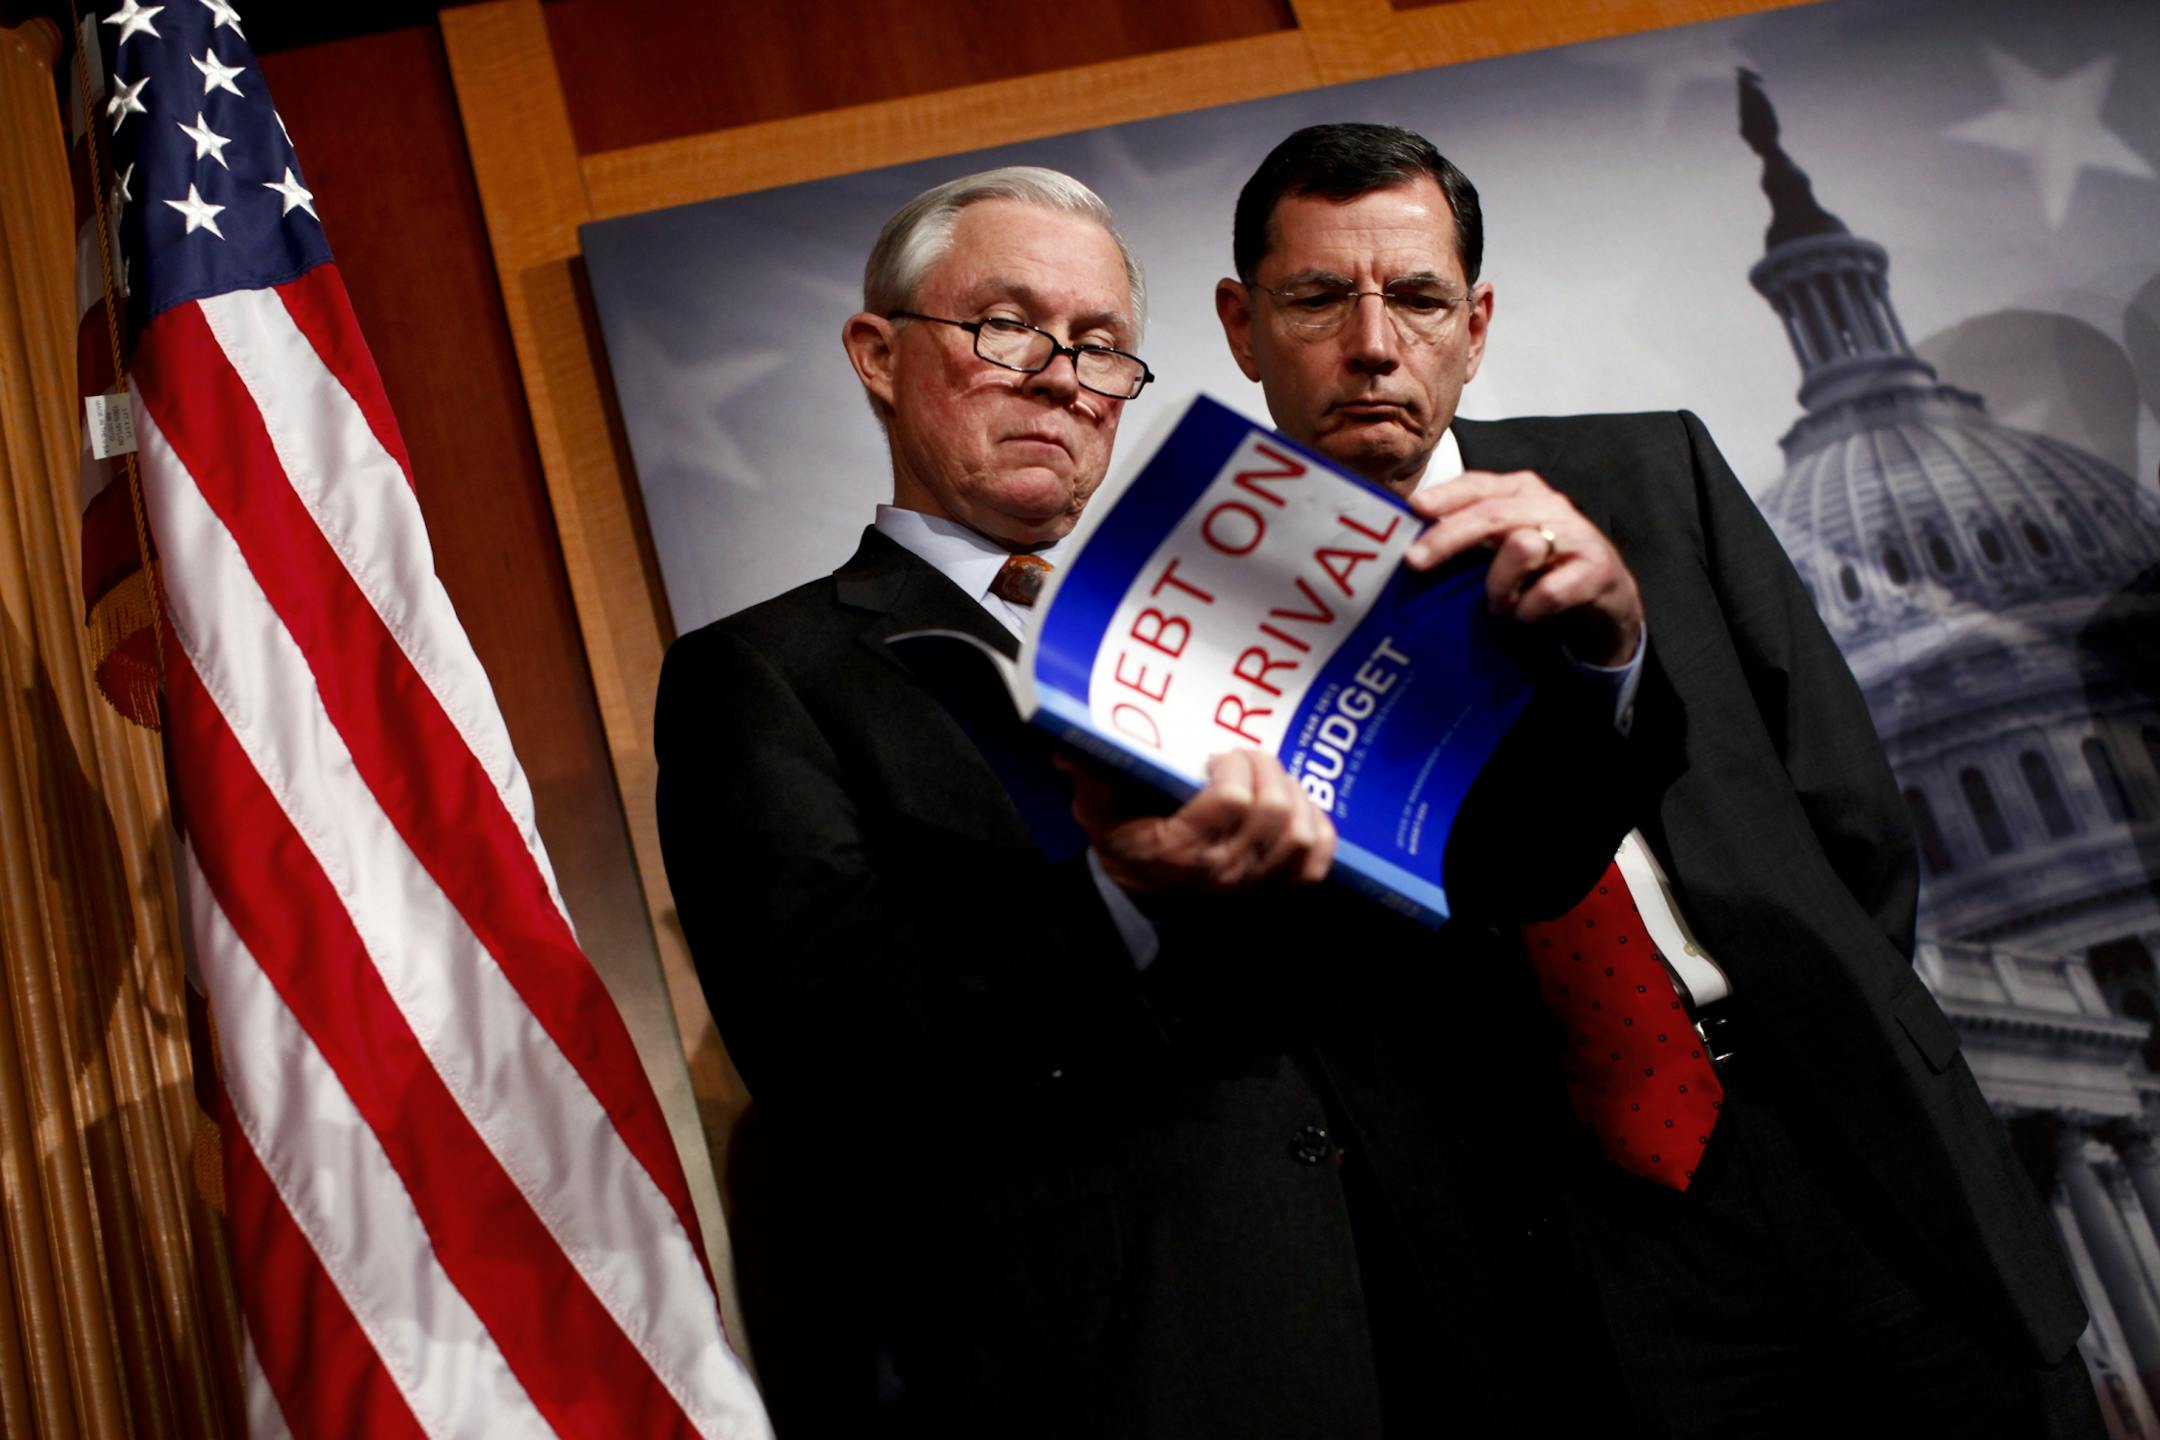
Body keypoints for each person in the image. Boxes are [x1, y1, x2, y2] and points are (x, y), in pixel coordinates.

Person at [1213, 121, 2101, 1437]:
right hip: (1570, 1232)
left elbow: (1850, 818)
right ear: (1242, 325)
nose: (1372, 344)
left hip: (1854, 1143)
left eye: (1416, 296)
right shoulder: (1198, 628)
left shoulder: (1651, 474)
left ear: (1477, 320)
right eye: (1315, 299)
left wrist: (1614, 656)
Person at [657, 165, 1528, 1438]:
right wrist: (1121, 894)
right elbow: (836, 1071)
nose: (1065, 377)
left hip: (1433, 1317)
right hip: (1129, 1368)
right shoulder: (764, 676)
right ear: (877, 353)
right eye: (1007, 327)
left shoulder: (1225, 631)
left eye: (1106, 348)